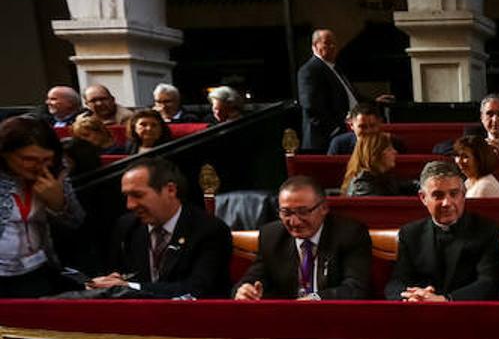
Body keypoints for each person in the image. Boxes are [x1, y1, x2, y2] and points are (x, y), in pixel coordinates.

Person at [87, 158, 232, 298]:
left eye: (137, 195)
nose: (129, 205)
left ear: (170, 190)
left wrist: (129, 286)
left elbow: (196, 289)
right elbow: (117, 272)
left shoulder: (210, 230)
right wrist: (108, 282)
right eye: (127, 196)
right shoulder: (126, 226)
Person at [233, 176, 371, 301]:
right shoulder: (272, 236)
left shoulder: (350, 234)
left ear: (324, 208)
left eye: (303, 212)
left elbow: (355, 289)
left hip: (334, 318)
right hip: (287, 320)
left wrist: (315, 300)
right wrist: (244, 291)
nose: (294, 222)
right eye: (286, 213)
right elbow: (251, 279)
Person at [385, 161, 499, 302]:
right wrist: (409, 297)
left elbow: (489, 283)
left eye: (454, 194)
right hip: (419, 313)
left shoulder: (487, 230)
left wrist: (446, 300)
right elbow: (397, 282)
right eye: (438, 195)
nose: (447, 203)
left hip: (468, 315)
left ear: (463, 194)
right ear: (423, 198)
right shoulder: (410, 233)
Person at [0, 116, 84, 298]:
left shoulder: (56, 173)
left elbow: (77, 223)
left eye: (46, 159)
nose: (39, 167)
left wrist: (58, 204)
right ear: (6, 154)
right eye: (28, 159)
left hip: (39, 269)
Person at [297, 28, 357, 151]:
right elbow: (311, 106)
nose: (333, 46)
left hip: (347, 131)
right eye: (327, 43)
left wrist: (373, 101)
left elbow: (351, 95)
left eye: (334, 43)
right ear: (315, 45)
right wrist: (336, 129)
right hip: (325, 139)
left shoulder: (335, 68)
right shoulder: (309, 70)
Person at [341, 132, 414, 197]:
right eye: (389, 149)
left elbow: (406, 186)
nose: (395, 152)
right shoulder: (362, 186)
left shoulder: (381, 178)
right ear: (376, 154)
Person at [327, 103, 405, 155]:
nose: (368, 131)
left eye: (372, 126)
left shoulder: (394, 143)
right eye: (362, 126)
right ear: (351, 125)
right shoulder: (339, 144)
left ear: (379, 123)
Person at [451, 134, 499, 198]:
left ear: (479, 159)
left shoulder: (485, 187)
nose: (459, 161)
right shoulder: (469, 181)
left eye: (465, 156)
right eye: (457, 156)